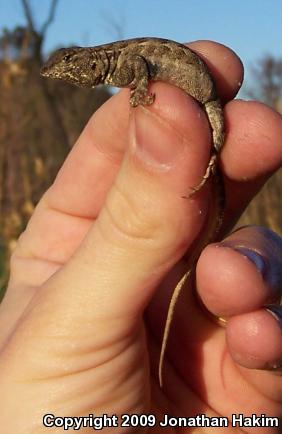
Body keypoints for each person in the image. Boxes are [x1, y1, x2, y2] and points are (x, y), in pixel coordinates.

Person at [0, 41, 281, 433]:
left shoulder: (123, 61)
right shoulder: (115, 67)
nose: (68, 76)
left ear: (88, 62)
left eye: (70, 68)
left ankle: (209, 170)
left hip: (202, 94)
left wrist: (144, 93)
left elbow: (137, 63)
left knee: (220, 140)